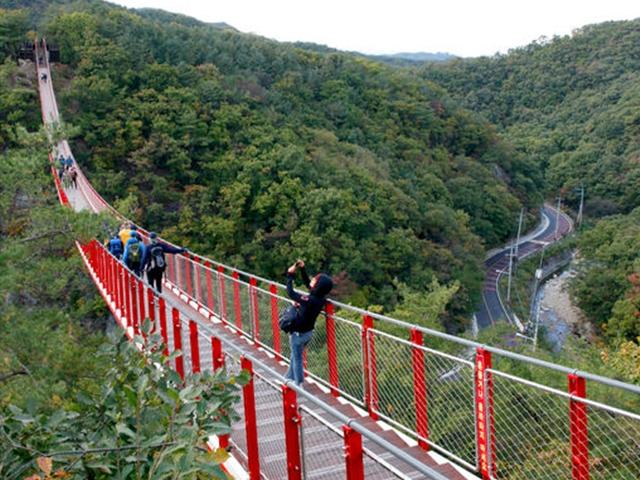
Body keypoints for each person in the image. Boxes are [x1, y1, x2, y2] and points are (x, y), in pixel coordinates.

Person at [284, 260, 333, 386]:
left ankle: (298, 383)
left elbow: (291, 293)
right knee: (295, 355)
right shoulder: (320, 299)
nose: (312, 280)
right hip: (308, 333)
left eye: (315, 280)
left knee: (297, 358)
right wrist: (302, 269)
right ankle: (288, 378)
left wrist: (290, 276)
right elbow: (308, 285)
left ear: (317, 285)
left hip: (298, 333)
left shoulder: (310, 300)